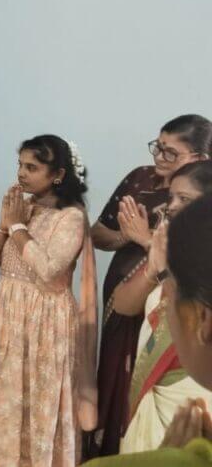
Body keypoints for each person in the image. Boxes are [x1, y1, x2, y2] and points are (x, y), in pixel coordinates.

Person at [87, 114, 212, 458]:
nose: (172, 208)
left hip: (188, 384)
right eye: (158, 147)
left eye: (171, 152)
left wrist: (146, 241)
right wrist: (140, 246)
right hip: (140, 321)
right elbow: (122, 298)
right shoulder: (141, 181)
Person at [0, 135, 99, 466]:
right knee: (10, 396)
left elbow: (48, 270)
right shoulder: (24, 208)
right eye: (20, 165)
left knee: (43, 400)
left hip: (47, 321)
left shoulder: (71, 217)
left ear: (58, 174)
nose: (21, 173)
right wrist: (4, 227)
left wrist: (17, 226)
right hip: (11, 318)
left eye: (32, 167)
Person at [116, 161, 212, 453]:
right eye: (171, 197)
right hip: (155, 392)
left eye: (184, 199)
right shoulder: (165, 245)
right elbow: (123, 305)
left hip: (194, 393)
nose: (172, 206)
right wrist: (154, 266)